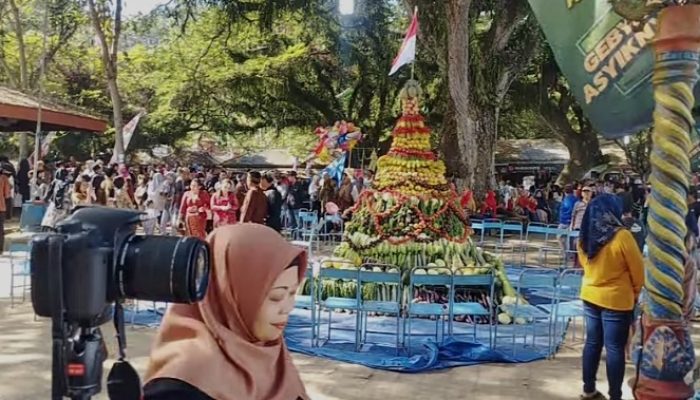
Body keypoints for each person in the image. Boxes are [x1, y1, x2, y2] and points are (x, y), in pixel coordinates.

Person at [143, 224, 310, 400]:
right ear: (229, 294)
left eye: (292, 293)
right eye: (276, 296)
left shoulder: (271, 354)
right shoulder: (182, 386)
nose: (288, 307)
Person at [577, 194, 644, 400]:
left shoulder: (585, 236)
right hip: (617, 300)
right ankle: (615, 395)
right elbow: (638, 271)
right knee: (615, 348)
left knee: (592, 343)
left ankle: (588, 390)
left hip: (590, 294)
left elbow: (584, 264)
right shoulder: (622, 236)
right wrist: (633, 293)